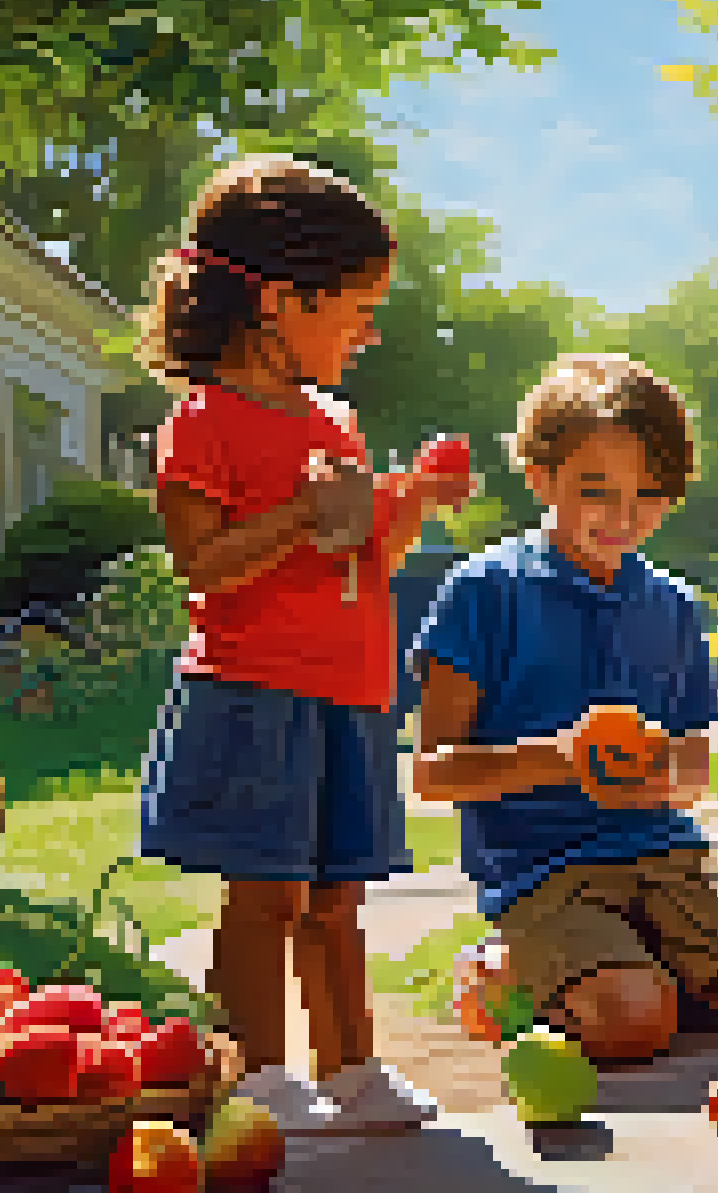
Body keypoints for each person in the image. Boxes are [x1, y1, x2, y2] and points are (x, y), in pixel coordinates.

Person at [131, 157, 472, 1130]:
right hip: (255, 691)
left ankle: (351, 1068)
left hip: (348, 689)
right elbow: (203, 563)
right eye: (357, 307)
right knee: (266, 896)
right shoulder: (205, 420)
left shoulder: (339, 422)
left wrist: (405, 502)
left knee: (336, 899)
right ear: (281, 301)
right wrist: (297, 514)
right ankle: (257, 1070)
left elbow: (366, 553)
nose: (369, 329)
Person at [409, 354, 718, 1062]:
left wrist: (656, 771)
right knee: (633, 1024)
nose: (624, 516)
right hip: (541, 869)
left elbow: (692, 773)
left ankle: (636, 975)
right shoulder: (482, 590)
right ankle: (511, 972)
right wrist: (563, 758)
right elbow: (432, 773)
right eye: (595, 490)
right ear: (541, 478)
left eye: (649, 494)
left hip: (665, 853)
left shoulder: (670, 604)